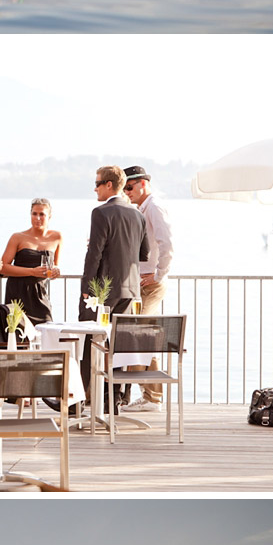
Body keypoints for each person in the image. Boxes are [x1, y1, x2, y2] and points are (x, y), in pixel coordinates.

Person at [79, 166, 149, 394]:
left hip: (103, 291)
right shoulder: (138, 214)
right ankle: (118, 396)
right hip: (131, 291)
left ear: (109, 185)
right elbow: (144, 254)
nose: (95, 188)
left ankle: (81, 396)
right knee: (123, 344)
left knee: (89, 341)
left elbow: (94, 255)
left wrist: (86, 287)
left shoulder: (100, 213)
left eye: (97, 183)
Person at [120, 166, 174, 414]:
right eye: (123, 188)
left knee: (142, 337)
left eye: (129, 187)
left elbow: (167, 243)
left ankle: (152, 398)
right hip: (140, 282)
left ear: (143, 183)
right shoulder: (141, 209)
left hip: (149, 284)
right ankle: (149, 395)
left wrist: (159, 274)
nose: (126, 192)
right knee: (140, 336)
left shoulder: (153, 207)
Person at [1, 199, 62, 325]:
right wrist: (32, 272)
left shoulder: (57, 237)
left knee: (46, 333)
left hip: (40, 294)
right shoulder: (17, 237)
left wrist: (56, 270)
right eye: (34, 214)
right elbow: (3, 267)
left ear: (49, 216)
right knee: (17, 339)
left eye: (42, 214)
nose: (37, 218)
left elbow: (55, 264)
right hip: (17, 293)